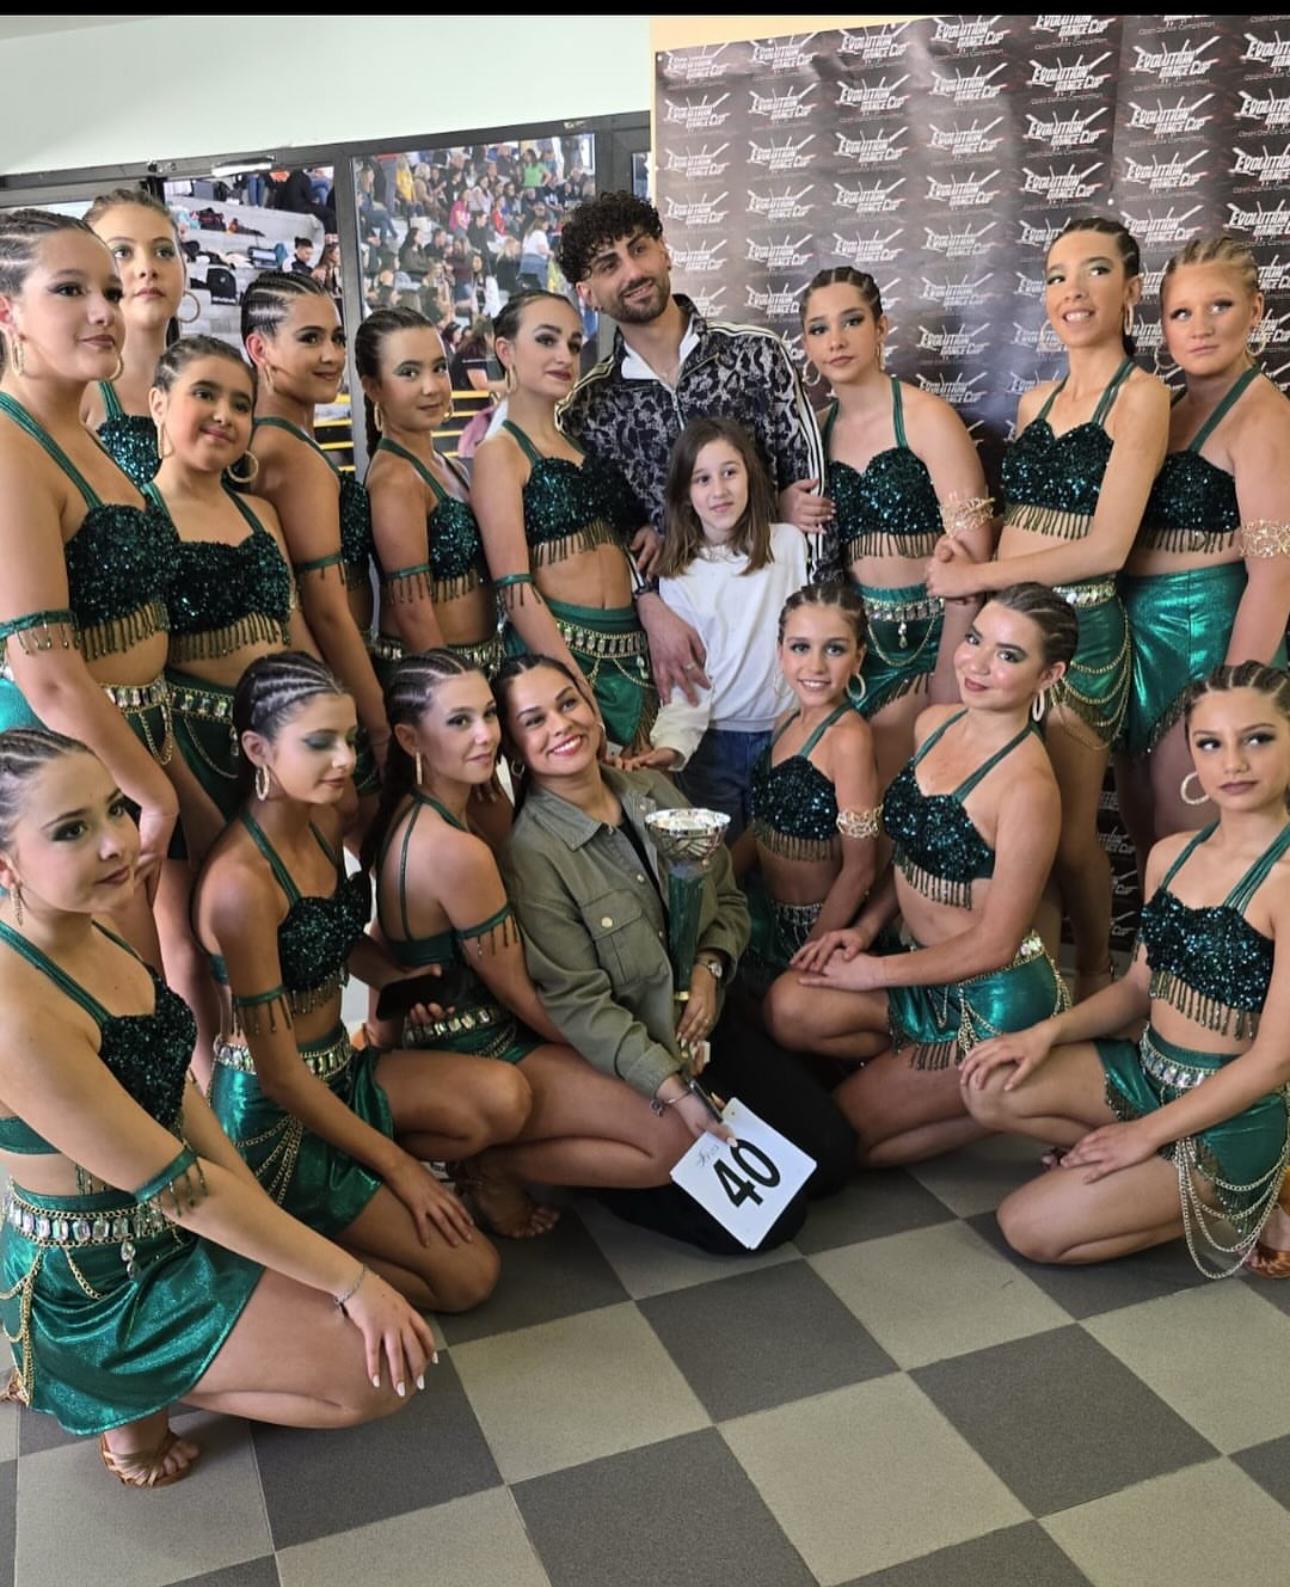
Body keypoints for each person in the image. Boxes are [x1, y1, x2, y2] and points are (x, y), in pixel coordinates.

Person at [0, 727, 434, 1486]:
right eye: (71, 830)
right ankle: (109, 1397)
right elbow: (182, 1190)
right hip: (102, 1282)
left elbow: (175, 1085)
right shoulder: (15, 1012)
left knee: (412, 1305)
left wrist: (265, 1215)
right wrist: (350, 1282)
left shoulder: (97, 914)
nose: (117, 843)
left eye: (115, 809)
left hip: (178, 1218)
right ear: (5, 865)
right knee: (378, 1373)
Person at [498, 653, 857, 1253]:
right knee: (774, 1224)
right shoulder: (533, 856)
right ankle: (597, 1172)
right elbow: (581, 1007)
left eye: (567, 703)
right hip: (639, 1059)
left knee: (832, 1159)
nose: (561, 726)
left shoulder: (653, 791)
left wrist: (711, 968)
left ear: (590, 706)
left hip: (709, 1028)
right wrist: (674, 1091)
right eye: (534, 720)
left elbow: (728, 902)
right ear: (514, 746)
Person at [193, 653, 511, 1307]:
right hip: (276, 1118)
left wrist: (396, 975)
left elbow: (329, 932)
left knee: (503, 1097)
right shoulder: (240, 886)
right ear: (257, 749)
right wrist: (404, 1169)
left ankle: (343, 1212)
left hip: (343, 1069)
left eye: (346, 738)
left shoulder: (322, 816)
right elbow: (280, 1077)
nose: (344, 760)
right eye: (319, 743)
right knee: (470, 1277)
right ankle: (277, 1258)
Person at [960, 662, 1290, 1277]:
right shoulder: (1171, 855)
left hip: (1233, 1116)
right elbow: (1138, 988)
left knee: (1028, 1226)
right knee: (990, 1084)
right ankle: (1144, 1168)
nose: (1233, 762)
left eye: (1258, 738)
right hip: (1148, 1075)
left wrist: (1144, 1136)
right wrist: (1044, 1034)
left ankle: (1252, 1192)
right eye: (1210, 743)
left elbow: (1274, 1061)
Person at [365, 651, 707, 1236]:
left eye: (488, 715)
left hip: (449, 1027)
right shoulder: (456, 849)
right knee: (674, 1136)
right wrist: (652, 1063)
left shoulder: (428, 811)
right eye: (459, 722)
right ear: (409, 738)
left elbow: (388, 940)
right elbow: (524, 998)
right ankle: (490, 1167)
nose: (484, 735)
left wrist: (390, 1023)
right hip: (483, 1042)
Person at [926, 217, 1170, 1000]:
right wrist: (965, 561)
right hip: (1004, 627)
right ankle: (1034, 983)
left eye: (1094, 271)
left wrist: (986, 572)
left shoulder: (1142, 398)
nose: (1072, 290)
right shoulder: (1037, 399)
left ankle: (1096, 975)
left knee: (1066, 837)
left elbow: (1107, 547)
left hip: (1078, 631)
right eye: (1057, 276)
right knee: (1015, 832)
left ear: (1131, 290)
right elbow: (1021, 520)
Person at [771, 585, 1075, 1166]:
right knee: (788, 1006)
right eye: (975, 640)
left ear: (1048, 675)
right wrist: (864, 931)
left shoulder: (1029, 789)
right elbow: (912, 854)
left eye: (1008, 656)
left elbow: (995, 945)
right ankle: (930, 1076)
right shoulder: (933, 723)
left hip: (990, 1001)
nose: (977, 664)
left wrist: (873, 971)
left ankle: (1005, 1098)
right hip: (919, 974)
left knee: (836, 1143)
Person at [556, 191, 831, 706]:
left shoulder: (756, 356)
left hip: (784, 656)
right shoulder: (587, 410)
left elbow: (813, 504)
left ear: (665, 251)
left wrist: (814, 637)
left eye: (640, 249)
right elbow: (606, 540)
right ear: (587, 293)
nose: (633, 271)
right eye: (609, 265)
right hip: (681, 667)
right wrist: (647, 606)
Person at [0, 209, 179, 950]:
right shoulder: (10, 449)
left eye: (109, 290)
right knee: (118, 994)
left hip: (122, 754)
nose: (105, 310)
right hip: (63, 773)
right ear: (7, 311)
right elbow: (46, 675)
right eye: (70, 290)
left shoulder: (80, 431)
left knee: (145, 986)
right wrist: (153, 794)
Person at [1119, 235, 1290, 853]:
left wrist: (1231, 701)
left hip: (1208, 640)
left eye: (1220, 306)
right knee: (1149, 842)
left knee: (1191, 837)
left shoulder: (1265, 417)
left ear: (1256, 309)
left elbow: (1275, 576)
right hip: (1137, 645)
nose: (1200, 326)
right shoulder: (1162, 408)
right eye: (1181, 312)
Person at [802, 268, 995, 785]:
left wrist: (948, 678)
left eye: (851, 321)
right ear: (806, 343)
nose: (836, 340)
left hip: (927, 646)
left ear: (881, 327)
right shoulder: (814, 433)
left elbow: (972, 560)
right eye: (819, 329)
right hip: (848, 653)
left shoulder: (927, 418)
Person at [472, 291, 659, 752]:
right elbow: (514, 588)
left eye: (574, 345)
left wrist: (647, 532)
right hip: (559, 660)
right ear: (505, 350)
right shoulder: (499, 452)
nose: (564, 356)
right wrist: (571, 685)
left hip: (632, 657)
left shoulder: (581, 443)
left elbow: (622, 534)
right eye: (547, 340)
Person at [625, 417, 811, 835]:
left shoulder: (788, 545)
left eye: (730, 472)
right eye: (702, 479)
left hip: (786, 733)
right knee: (719, 859)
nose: (719, 491)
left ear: (750, 476)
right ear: (685, 495)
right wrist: (670, 747)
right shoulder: (678, 574)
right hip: (711, 745)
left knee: (780, 853)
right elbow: (687, 679)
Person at [242, 272, 386, 801]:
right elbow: (325, 611)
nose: (331, 355)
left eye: (337, 338)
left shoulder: (274, 440)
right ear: (260, 348)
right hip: (326, 677)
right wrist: (377, 723)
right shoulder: (289, 454)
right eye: (310, 338)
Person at [738, 584, 880, 991]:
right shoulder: (784, 722)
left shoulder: (848, 739)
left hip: (820, 928)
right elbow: (763, 825)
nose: (815, 666)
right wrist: (715, 882)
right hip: (764, 917)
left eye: (834, 649)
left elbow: (861, 869)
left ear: (858, 658)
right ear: (780, 652)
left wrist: (811, 951)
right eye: (801, 647)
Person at [355, 308, 501, 682]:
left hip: (474, 671)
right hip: (433, 682)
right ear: (372, 387)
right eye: (409, 373)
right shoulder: (396, 479)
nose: (432, 387)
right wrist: (456, 691)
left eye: (438, 368)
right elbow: (413, 612)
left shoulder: (445, 464)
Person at [82, 188, 189, 487]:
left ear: (185, 269)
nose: (147, 269)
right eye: (121, 253)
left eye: (164, 252)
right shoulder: (74, 397)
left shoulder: (220, 383)